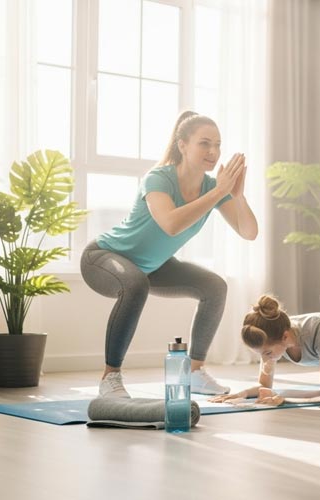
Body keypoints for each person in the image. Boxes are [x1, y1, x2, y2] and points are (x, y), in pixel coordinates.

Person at [81, 111, 258, 398]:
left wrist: (236, 195)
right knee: (135, 283)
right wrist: (218, 193)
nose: (213, 152)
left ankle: (195, 372)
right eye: (204, 143)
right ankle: (110, 378)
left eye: (217, 144)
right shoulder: (159, 178)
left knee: (214, 286)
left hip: (153, 266)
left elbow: (249, 232)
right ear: (183, 145)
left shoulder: (213, 188)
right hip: (103, 257)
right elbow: (171, 224)